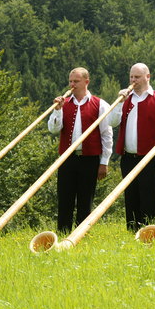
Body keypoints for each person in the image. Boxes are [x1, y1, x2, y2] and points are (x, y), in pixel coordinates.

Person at [109, 63, 155, 231]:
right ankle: (132, 232)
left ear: (148, 77)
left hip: (150, 157)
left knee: (150, 197)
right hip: (128, 157)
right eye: (131, 77)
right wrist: (118, 103)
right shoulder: (125, 99)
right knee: (131, 196)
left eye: (137, 77)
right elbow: (112, 122)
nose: (133, 80)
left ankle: (151, 232)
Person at [48, 67, 113, 234]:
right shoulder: (62, 103)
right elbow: (54, 129)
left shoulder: (100, 104)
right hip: (67, 159)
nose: (72, 84)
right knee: (65, 199)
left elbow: (106, 135)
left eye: (76, 81)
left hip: (89, 159)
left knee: (85, 200)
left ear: (86, 82)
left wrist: (104, 162)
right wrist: (57, 110)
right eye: (70, 81)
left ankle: (80, 235)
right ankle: (62, 234)